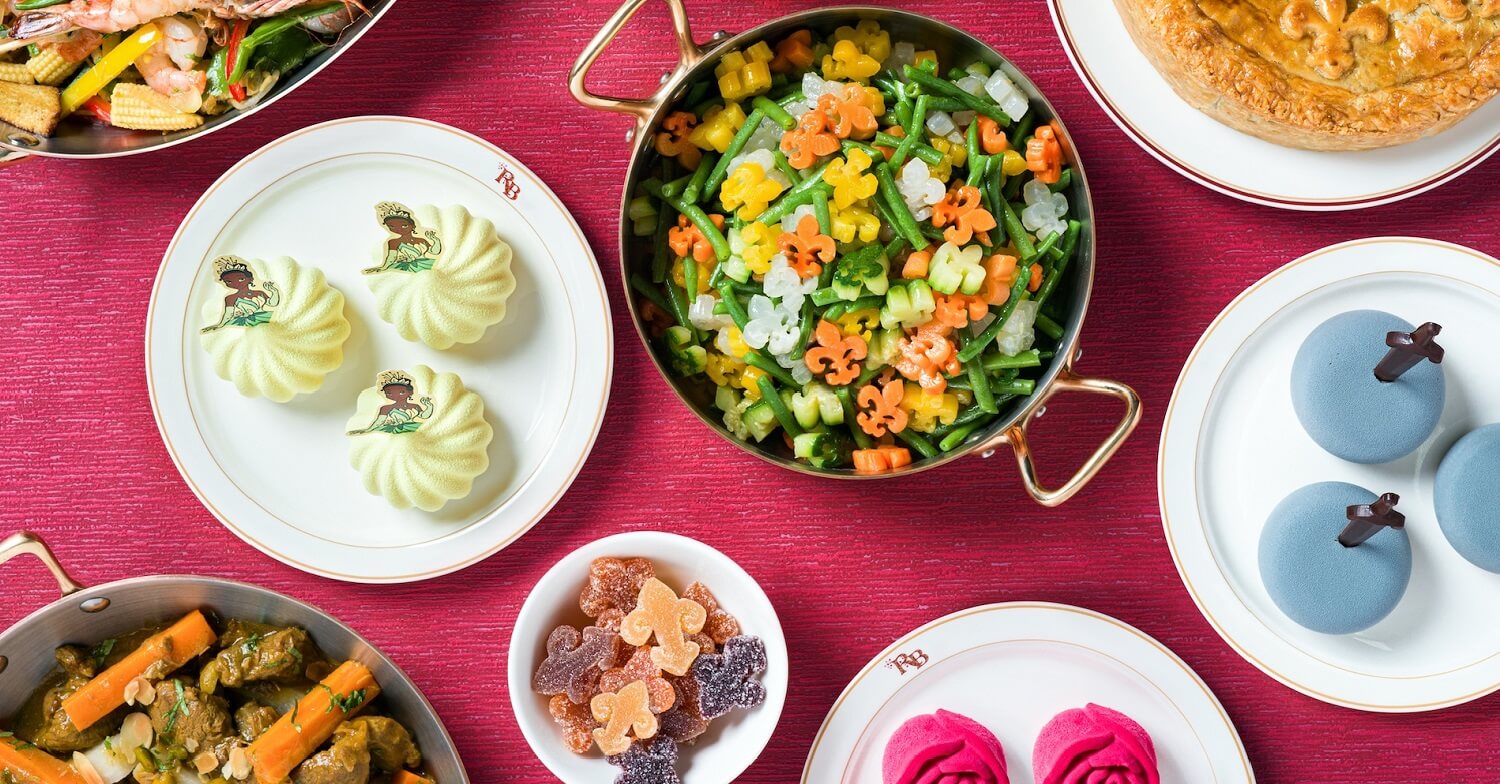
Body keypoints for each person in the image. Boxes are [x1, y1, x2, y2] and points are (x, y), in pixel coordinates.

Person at [201, 256, 279, 333]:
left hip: (264, 318)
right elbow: (228, 315)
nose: (236, 283)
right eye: (229, 282)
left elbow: (273, 303)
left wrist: (273, 291)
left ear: (250, 279)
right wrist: (220, 325)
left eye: (241, 279)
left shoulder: (259, 293)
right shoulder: (230, 298)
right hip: (245, 322)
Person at [347, 370, 435, 435]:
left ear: (410, 392)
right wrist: (367, 430)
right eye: (389, 393)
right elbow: (379, 422)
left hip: (414, 429)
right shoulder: (385, 408)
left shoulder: (415, 406)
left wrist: (429, 406)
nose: (395, 396)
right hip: (393, 431)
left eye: (401, 392)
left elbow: (424, 416)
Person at [365, 201, 443, 274]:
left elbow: (434, 252)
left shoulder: (421, 240)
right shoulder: (393, 242)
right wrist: (384, 267)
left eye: (404, 226)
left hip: (425, 264)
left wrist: (436, 240)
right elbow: (391, 258)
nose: (399, 229)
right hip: (406, 268)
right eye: (392, 227)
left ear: (412, 226)